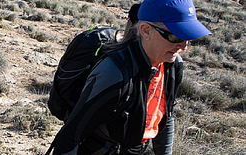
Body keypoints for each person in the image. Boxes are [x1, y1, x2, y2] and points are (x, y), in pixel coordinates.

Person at [51, 0, 211, 154]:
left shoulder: (172, 65)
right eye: (176, 37)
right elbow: (71, 136)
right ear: (146, 30)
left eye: (188, 37)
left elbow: (165, 115)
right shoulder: (115, 72)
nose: (183, 46)